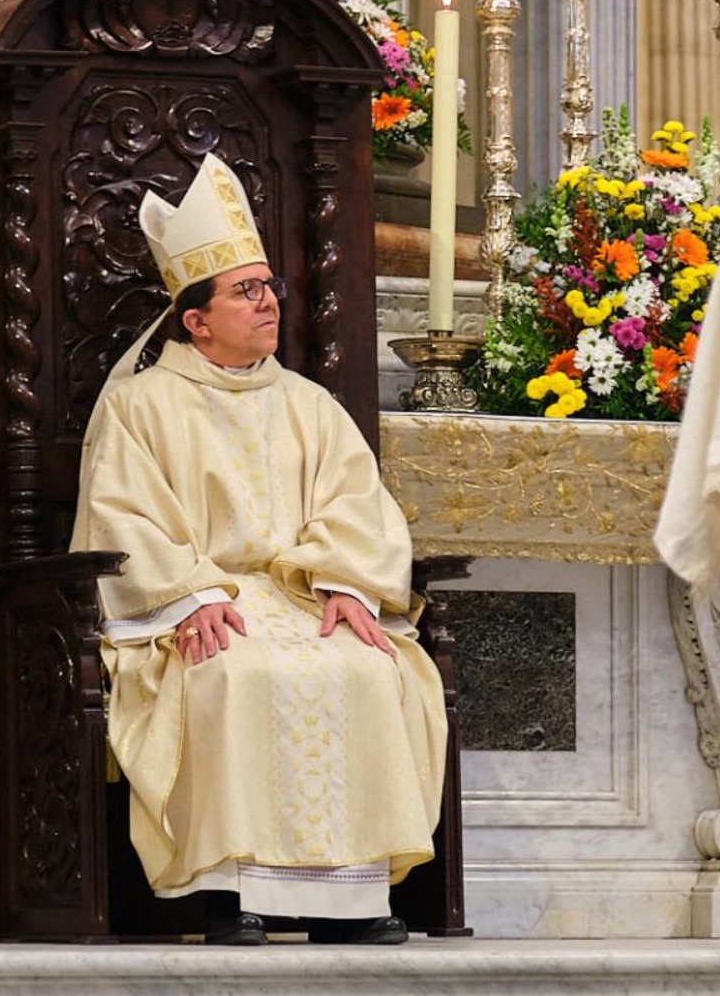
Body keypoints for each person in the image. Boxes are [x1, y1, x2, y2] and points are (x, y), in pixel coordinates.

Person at [72, 153, 447, 946]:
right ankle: (228, 892)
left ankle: (351, 897)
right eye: (246, 290)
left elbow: (357, 503)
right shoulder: (140, 406)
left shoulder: (308, 404)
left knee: (369, 666)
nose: (270, 300)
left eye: (269, 286)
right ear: (196, 320)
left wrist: (346, 583)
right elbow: (122, 517)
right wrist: (191, 597)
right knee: (227, 669)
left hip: (304, 596)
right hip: (200, 603)